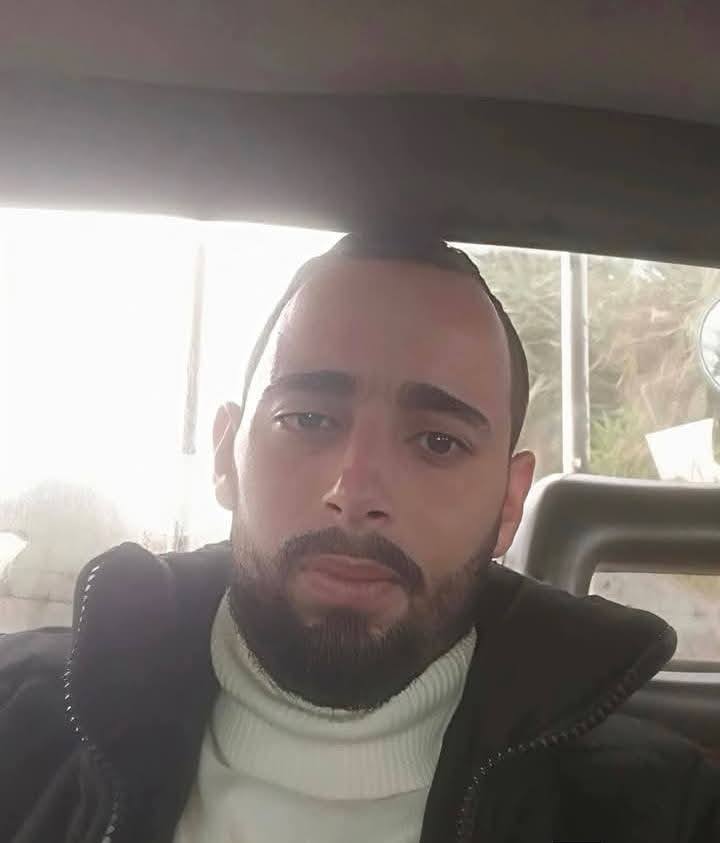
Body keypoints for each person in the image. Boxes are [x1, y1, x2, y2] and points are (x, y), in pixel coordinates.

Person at [1, 232, 718, 843]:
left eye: (438, 441)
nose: (355, 491)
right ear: (226, 456)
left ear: (509, 501)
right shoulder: (18, 726)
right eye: (308, 420)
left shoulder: (666, 812)